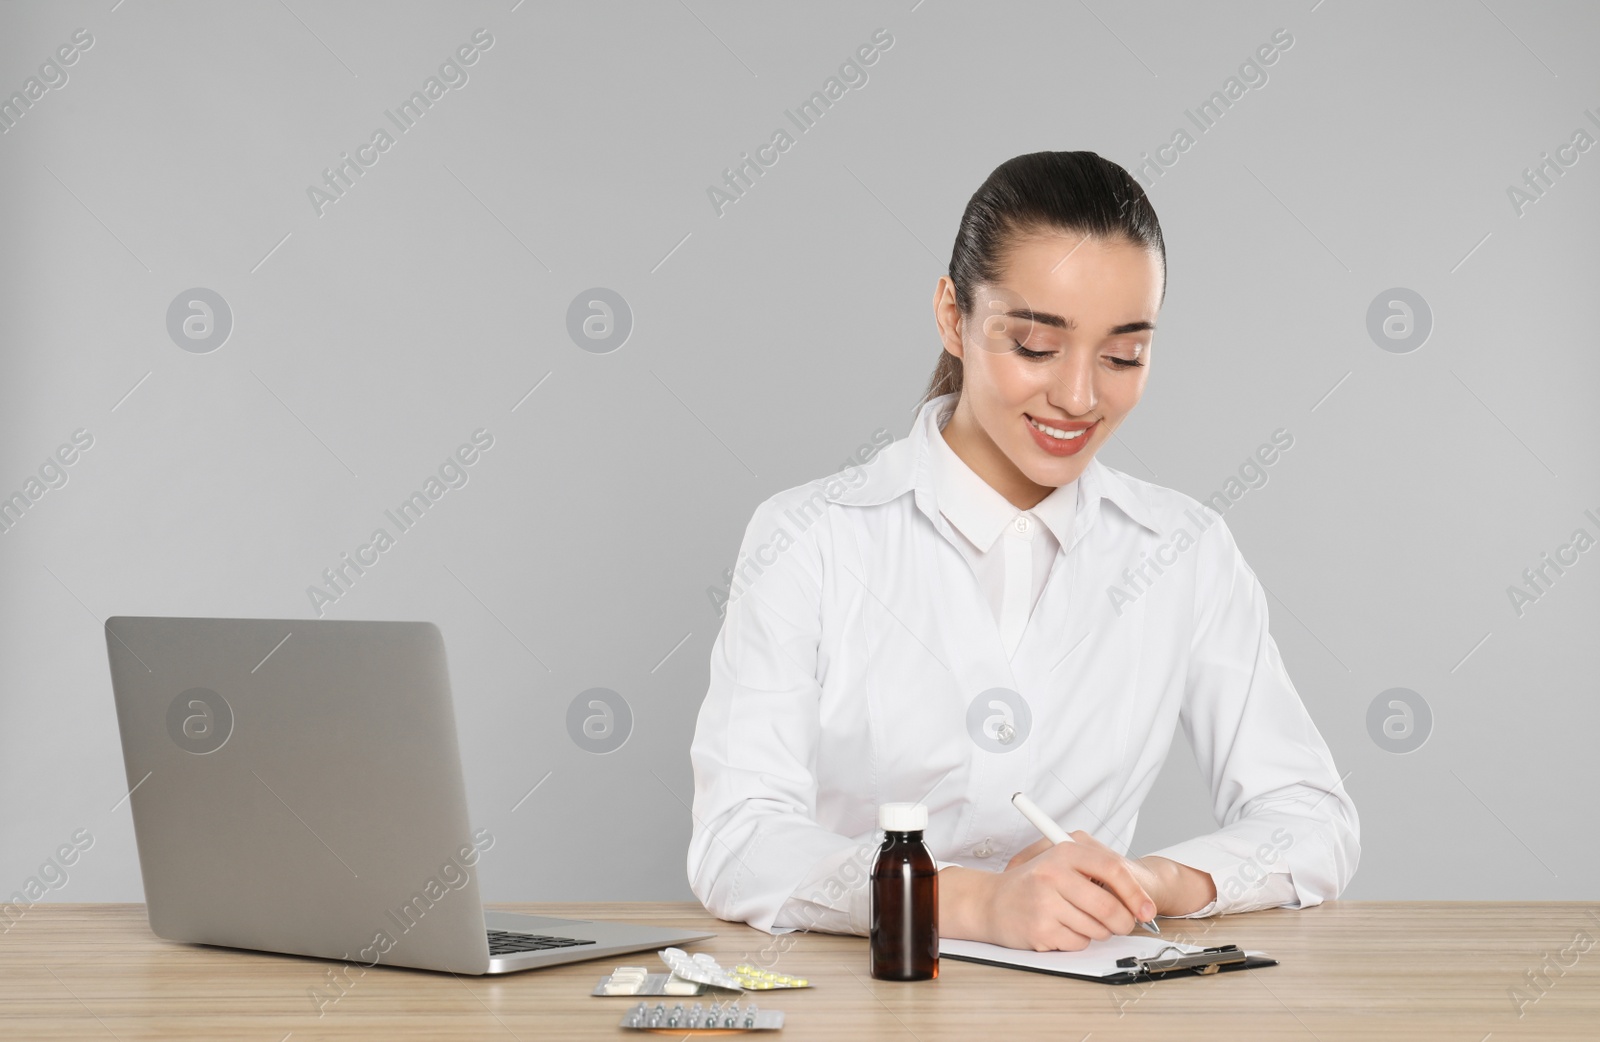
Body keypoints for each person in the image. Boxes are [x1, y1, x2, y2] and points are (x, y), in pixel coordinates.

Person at [686, 150, 1359, 952]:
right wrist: (971, 904)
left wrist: (1149, 883)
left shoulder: (1182, 551)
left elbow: (1313, 822)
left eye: (1124, 356)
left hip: (1087, 1002)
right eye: (1036, 346)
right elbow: (736, 840)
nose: (1079, 397)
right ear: (952, 315)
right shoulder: (810, 537)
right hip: (861, 995)